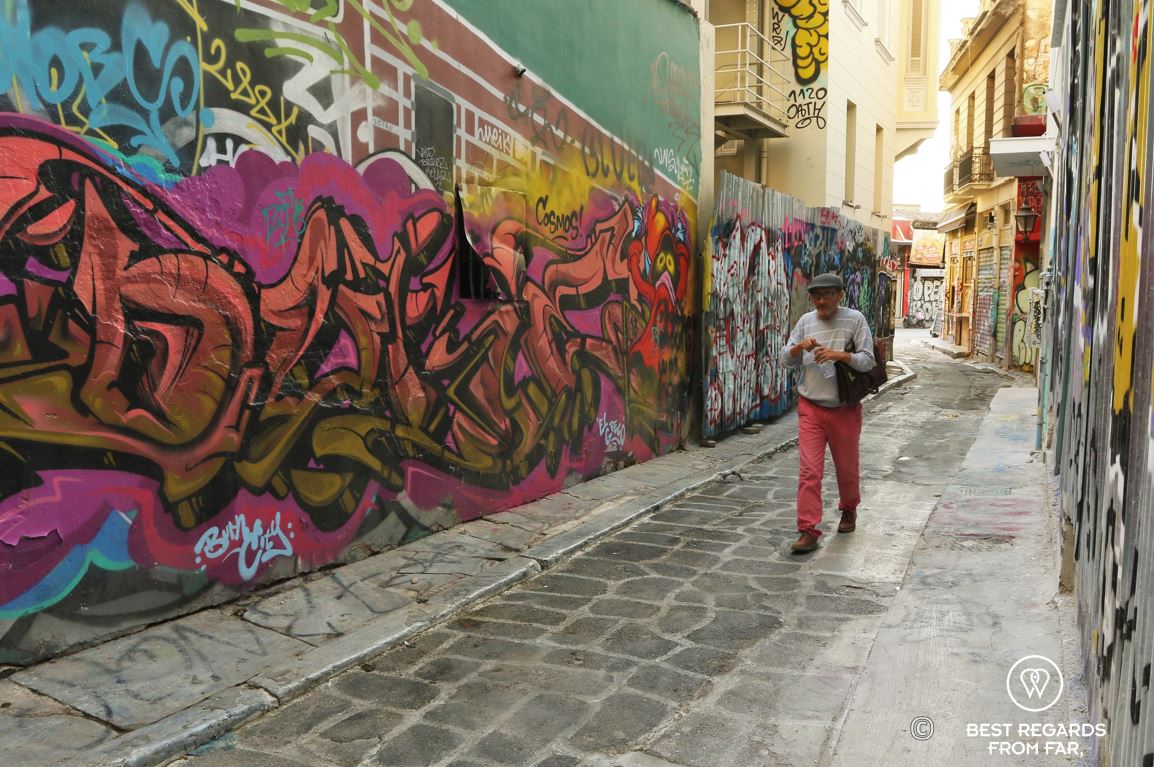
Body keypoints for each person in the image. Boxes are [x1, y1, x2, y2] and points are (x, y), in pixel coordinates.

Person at [779, 272, 876, 554]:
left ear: (840, 295)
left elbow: (867, 361)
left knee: (846, 467)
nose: (821, 301)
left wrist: (839, 355)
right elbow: (785, 358)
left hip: (844, 408)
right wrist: (799, 347)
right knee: (809, 471)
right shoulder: (806, 322)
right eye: (816, 296)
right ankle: (808, 530)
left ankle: (849, 508)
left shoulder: (855, 319)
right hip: (810, 407)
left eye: (827, 295)